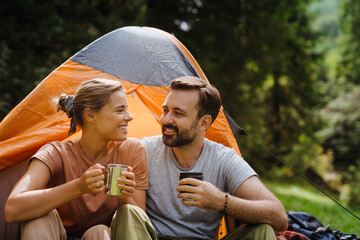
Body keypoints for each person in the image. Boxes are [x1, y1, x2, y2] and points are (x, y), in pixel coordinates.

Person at [4, 78, 156, 240]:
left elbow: (138, 223)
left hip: (96, 236)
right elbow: (12, 209)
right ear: (90, 115)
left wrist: (124, 197)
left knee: (99, 231)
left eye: (127, 109)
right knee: (39, 217)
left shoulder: (131, 150)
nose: (129, 117)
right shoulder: (56, 152)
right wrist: (79, 187)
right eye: (120, 110)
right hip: (54, 233)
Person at [141, 76, 288, 240]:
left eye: (178, 113)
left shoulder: (223, 159)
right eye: (165, 110)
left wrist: (221, 201)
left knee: (263, 230)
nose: (166, 120)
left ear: (204, 122)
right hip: (154, 238)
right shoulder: (143, 150)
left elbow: (279, 216)